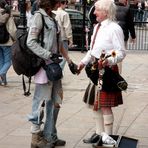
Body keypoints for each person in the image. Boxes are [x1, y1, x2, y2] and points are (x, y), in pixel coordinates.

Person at [77, 0, 126, 147]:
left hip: (107, 71)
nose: (94, 12)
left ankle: (108, 138)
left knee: (105, 106)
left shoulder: (114, 28)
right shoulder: (97, 27)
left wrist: (108, 60)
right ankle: (99, 135)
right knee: (95, 103)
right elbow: (93, 50)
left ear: (105, 12)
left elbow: (120, 52)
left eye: (97, 10)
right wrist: (83, 62)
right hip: (95, 70)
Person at [26, 0, 74, 147]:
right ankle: (36, 138)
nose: (60, 2)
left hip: (54, 67)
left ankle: (50, 135)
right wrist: (47, 54)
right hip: (43, 67)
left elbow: (59, 44)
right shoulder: (38, 17)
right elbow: (31, 42)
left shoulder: (52, 17)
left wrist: (69, 61)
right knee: (41, 101)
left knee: (56, 102)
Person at [0, 0, 16, 85]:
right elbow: (12, 30)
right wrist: (15, 39)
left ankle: (3, 81)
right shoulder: (8, 15)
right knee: (8, 62)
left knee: (1, 62)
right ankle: (1, 74)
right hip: (7, 42)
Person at [53, 0, 73, 70]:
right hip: (62, 38)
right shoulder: (64, 14)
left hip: (54, 38)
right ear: (63, 3)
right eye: (66, 4)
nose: (66, 6)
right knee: (64, 57)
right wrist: (70, 39)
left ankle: (54, 71)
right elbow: (67, 27)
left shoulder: (53, 12)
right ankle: (58, 71)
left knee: (54, 55)